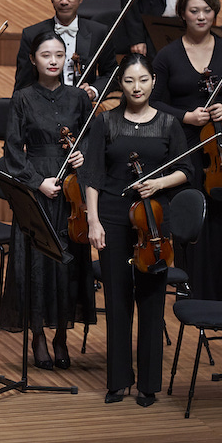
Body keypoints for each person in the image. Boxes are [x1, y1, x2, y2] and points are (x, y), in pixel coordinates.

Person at [82, 54, 192, 407]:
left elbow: (186, 170)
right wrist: (93, 221)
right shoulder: (106, 122)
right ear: (121, 84)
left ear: (153, 82)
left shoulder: (169, 124)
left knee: (151, 300)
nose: (137, 87)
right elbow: (93, 176)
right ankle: (118, 380)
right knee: (116, 301)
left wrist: (157, 183)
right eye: (129, 81)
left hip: (154, 219)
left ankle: (148, 384)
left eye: (143, 79)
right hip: (113, 215)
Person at [0, 32, 95, 368]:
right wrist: (38, 182)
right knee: (36, 264)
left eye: (58, 54)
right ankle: (38, 335)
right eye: (45, 55)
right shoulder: (23, 97)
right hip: (38, 186)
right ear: (33, 60)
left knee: (67, 261)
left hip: (71, 190)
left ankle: (61, 338)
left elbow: (93, 141)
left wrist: (83, 157)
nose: (52, 60)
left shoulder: (78, 98)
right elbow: (11, 150)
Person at [152, 0, 222, 301]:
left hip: (218, 146)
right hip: (183, 144)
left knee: (218, 215)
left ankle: (216, 295)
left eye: (207, 10)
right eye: (194, 10)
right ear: (182, 13)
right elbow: (154, 103)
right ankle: (188, 290)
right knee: (187, 214)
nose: (201, 16)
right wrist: (185, 117)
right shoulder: (167, 55)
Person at [14, 0, 112, 98]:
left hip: (84, 111)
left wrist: (93, 90)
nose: (64, 1)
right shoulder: (32, 34)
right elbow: (23, 86)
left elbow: (111, 74)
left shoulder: (99, 32)